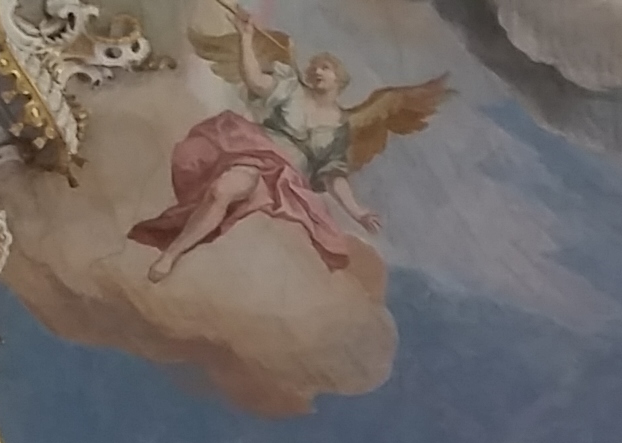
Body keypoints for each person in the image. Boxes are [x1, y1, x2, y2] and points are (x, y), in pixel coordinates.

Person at [126, 2, 447, 283]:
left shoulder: (342, 127)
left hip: (286, 181)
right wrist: (246, 38)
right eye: (314, 65)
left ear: (340, 79)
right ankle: (171, 255)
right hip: (256, 155)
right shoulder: (291, 89)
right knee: (221, 191)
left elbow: (333, 176)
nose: (316, 69)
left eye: (325, 67)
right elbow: (255, 80)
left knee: (267, 238)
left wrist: (358, 211)